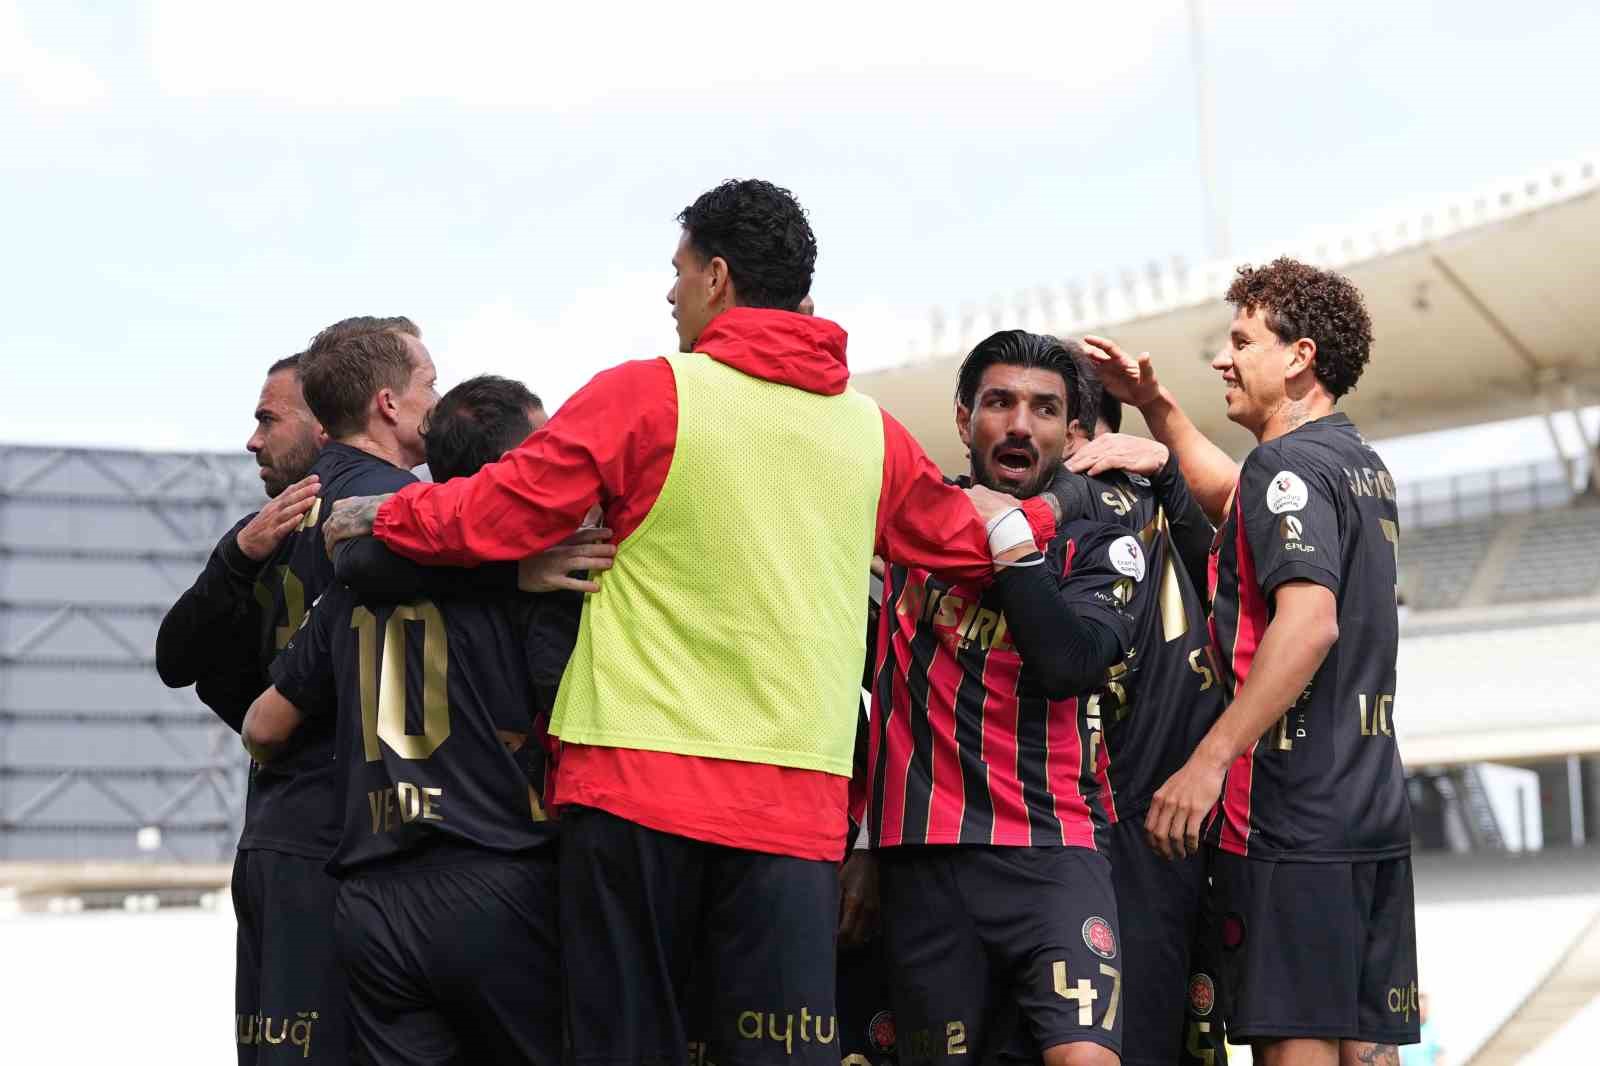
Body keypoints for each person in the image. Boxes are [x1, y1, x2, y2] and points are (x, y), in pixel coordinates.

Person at [319, 179, 1054, 1066]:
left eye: (676, 273)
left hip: (633, 791)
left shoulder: (646, 396)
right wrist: (1078, 496)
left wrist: (382, 516)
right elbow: (973, 545)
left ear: (716, 276)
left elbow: (496, 513)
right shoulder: (874, 436)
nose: (669, 295)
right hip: (792, 807)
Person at [1078, 258, 1417, 1066]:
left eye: (1241, 340)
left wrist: (1208, 760)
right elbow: (1236, 503)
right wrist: (1157, 413)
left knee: (1295, 1041)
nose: (1223, 359)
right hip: (1371, 806)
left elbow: (1309, 624)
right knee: (1365, 1046)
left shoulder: (1286, 467)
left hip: (1289, 815)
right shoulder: (1356, 463)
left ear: (1298, 356)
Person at [240, 375, 599, 1066]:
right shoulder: (541, 576)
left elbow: (262, 726)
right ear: (510, 472)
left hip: (372, 901)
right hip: (497, 874)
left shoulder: (356, 588)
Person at [852, 330, 1153, 1066]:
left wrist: (1013, 538)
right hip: (924, 862)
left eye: (1044, 409)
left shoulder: (1107, 536)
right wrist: (858, 838)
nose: (1021, 423)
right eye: (1000, 402)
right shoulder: (905, 525)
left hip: (1054, 852)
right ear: (964, 421)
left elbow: (1065, 663)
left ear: (1074, 433)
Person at [237, 315, 436, 1062]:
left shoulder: (274, 518)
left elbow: (194, 658)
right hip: (356, 832)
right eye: (429, 384)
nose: (436, 402)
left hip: (274, 821)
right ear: (386, 402)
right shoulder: (412, 515)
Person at [156, 353, 329, 1062]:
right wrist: (236, 553)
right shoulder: (261, 539)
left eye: (267, 418)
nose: (252, 440)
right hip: (281, 843)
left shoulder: (391, 524)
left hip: (335, 854)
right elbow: (180, 661)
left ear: (326, 422)